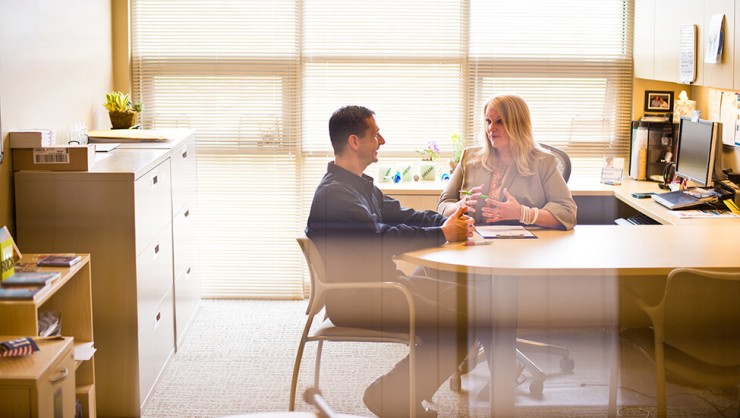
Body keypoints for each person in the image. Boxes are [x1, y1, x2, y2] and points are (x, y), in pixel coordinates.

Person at [305, 105, 476, 417]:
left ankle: (399, 395)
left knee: (469, 304)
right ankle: (388, 396)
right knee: (462, 326)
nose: (381, 140)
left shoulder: (355, 185)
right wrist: (442, 234)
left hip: (384, 286)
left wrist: (446, 222)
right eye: (375, 133)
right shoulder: (336, 195)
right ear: (354, 141)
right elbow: (381, 239)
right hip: (360, 297)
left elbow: (400, 215)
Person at [438, 94, 577, 230]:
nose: (491, 128)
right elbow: (443, 204)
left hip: (525, 247)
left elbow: (567, 213)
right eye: (488, 121)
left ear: (519, 125)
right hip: (473, 243)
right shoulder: (469, 157)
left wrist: (523, 214)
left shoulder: (543, 162)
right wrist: (460, 205)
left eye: (500, 121)